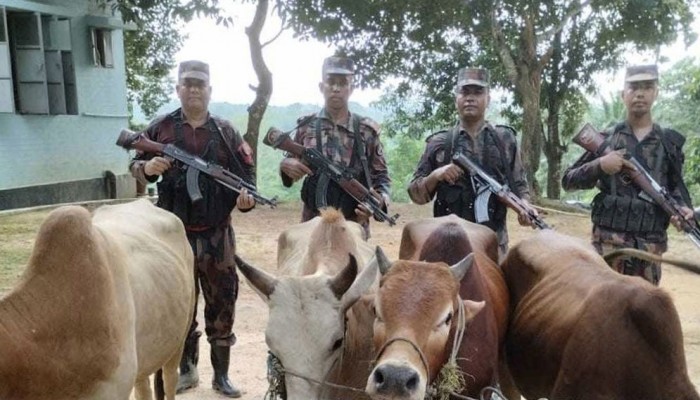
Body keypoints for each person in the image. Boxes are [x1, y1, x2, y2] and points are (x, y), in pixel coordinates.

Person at [129, 60, 253, 398]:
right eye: (188, 83)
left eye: (200, 84)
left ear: (210, 90)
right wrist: (147, 167)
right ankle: (185, 370)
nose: (194, 89)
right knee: (179, 303)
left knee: (223, 301)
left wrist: (247, 200)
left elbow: (247, 180)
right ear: (178, 89)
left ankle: (222, 376)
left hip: (217, 234)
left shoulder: (226, 133)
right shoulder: (162, 128)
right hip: (172, 237)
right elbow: (135, 163)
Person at [562, 64, 695, 285]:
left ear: (656, 93)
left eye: (647, 87)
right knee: (603, 312)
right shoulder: (606, 140)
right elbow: (568, 181)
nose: (640, 93)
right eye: (633, 88)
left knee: (643, 313)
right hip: (608, 248)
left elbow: (674, 189)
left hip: (649, 249)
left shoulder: (669, 144)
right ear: (623, 94)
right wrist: (600, 165)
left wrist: (681, 209)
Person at [407, 67, 537, 259]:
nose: (470, 98)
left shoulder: (505, 139)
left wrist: (524, 206)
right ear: (456, 99)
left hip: (492, 245)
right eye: (464, 92)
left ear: (488, 99)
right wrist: (436, 175)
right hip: (447, 247)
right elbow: (416, 195)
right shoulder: (439, 143)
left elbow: (519, 185)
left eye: (478, 92)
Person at [279, 56, 391, 235]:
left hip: (353, 228)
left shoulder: (366, 131)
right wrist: (286, 167)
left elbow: (382, 178)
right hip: (312, 228)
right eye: (331, 82)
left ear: (351, 88)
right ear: (321, 87)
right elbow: (289, 168)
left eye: (343, 83)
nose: (336, 88)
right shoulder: (306, 126)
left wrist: (379, 202)